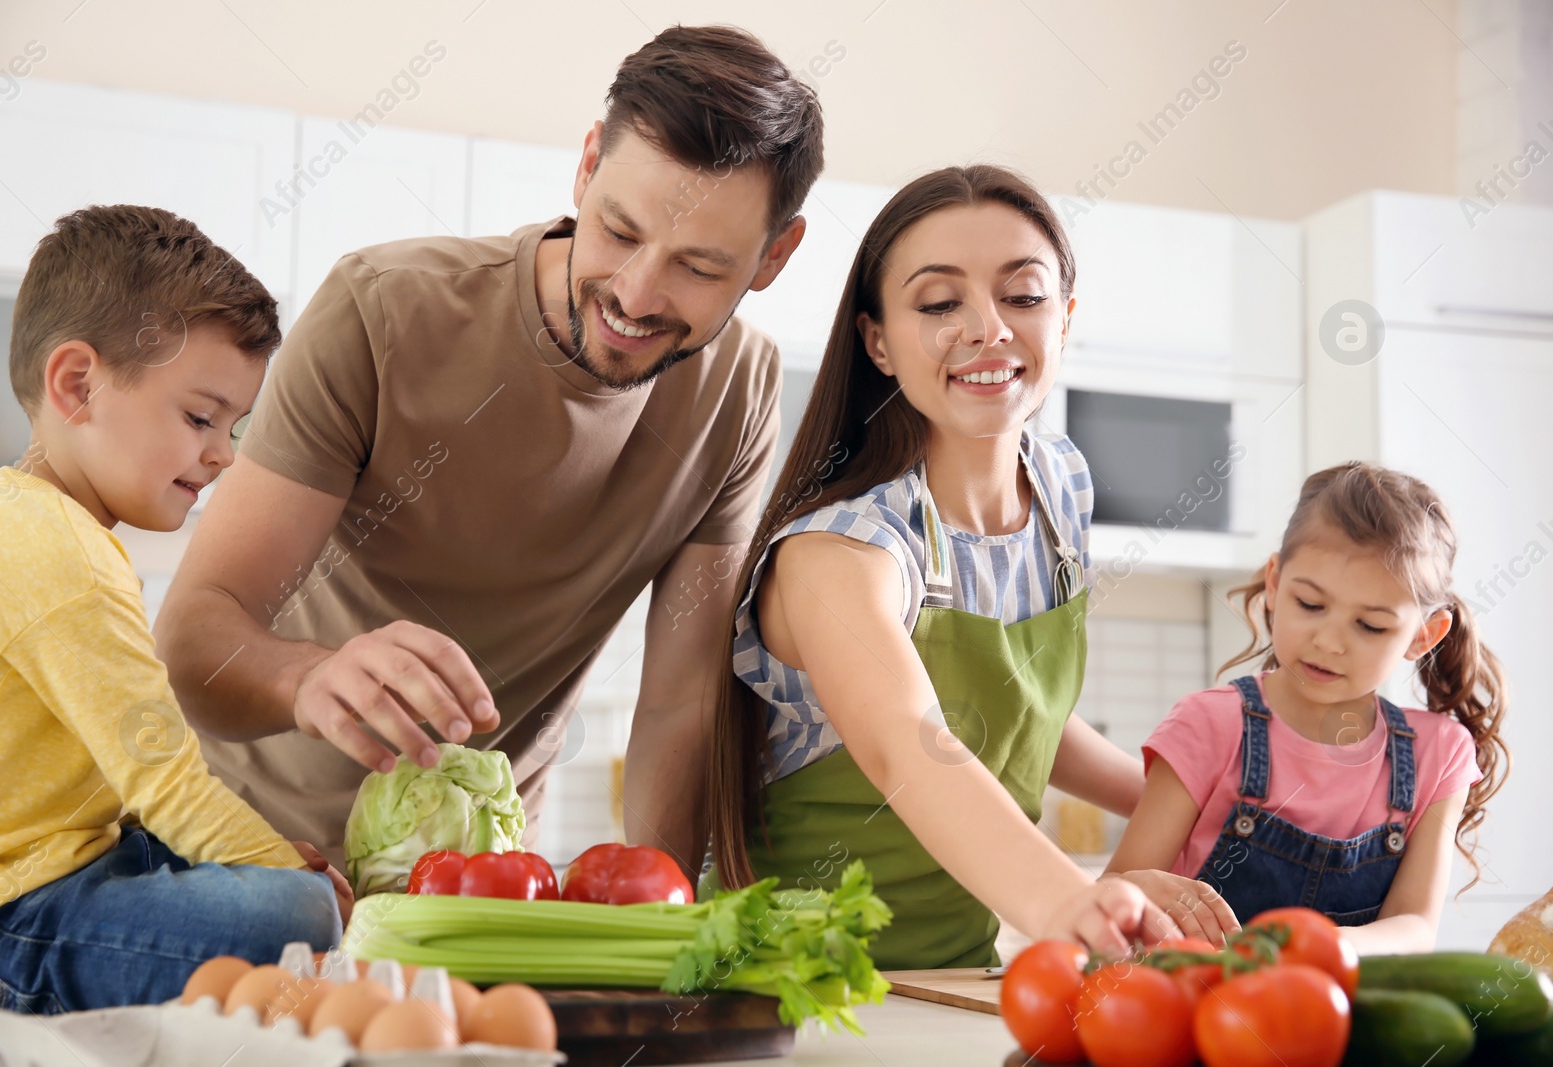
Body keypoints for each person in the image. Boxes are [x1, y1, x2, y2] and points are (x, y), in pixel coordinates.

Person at [154, 25, 820, 875]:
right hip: (242, 854)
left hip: (479, 886)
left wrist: (665, 934)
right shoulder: (383, 311)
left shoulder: (741, 388)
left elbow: (678, 705)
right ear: (586, 167)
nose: (636, 293)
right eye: (618, 230)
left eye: (699, 266)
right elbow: (193, 639)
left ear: (774, 255)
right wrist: (305, 677)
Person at [704, 165, 1230, 970]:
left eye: (1023, 296)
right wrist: (1068, 899)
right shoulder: (841, 553)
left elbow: (1016, 719)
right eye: (939, 302)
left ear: (1066, 319)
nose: (987, 327)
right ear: (877, 340)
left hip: (957, 972)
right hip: (790, 984)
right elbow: (909, 743)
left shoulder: (1059, 487)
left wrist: (1189, 804)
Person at [0, 205, 347, 1013]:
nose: (224, 453)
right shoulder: (57, 554)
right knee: (295, 911)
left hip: (60, 869)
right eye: (200, 417)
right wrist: (285, 876)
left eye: (234, 426)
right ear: (77, 384)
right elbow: (164, 781)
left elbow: (128, 798)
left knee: (264, 877)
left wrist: (261, 857)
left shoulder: (38, 526)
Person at [1106, 462, 1508, 953]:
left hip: (1337, 1022)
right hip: (1198, 1010)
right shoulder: (1209, 725)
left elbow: (1414, 928)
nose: (1329, 642)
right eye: (1311, 605)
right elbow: (1117, 891)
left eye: (1371, 626)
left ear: (1423, 635)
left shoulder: (1439, 754)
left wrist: (1303, 951)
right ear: (1274, 583)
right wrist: (1133, 893)